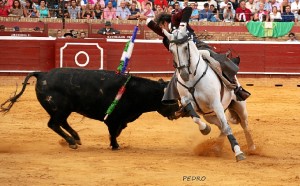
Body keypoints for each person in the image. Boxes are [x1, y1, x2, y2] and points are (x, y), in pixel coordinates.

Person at [138, 6, 250, 117]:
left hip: (199, 48)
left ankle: (237, 89)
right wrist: (146, 19)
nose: (161, 29)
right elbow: (158, 30)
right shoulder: (167, 37)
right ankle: (183, 103)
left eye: (161, 26)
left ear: (165, 23)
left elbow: (188, 9)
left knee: (219, 61)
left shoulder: (176, 21)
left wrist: (182, 25)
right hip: (185, 59)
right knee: (177, 79)